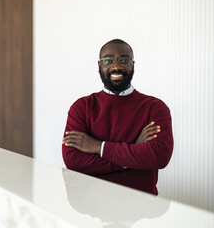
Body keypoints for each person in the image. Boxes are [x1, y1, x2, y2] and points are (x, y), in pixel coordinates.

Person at [62, 39, 173, 195]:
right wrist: (135, 149)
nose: (116, 66)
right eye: (108, 60)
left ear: (132, 64)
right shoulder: (81, 107)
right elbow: (73, 160)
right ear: (99, 65)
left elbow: (159, 156)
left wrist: (97, 147)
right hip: (92, 206)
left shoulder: (155, 107)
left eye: (124, 60)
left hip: (142, 207)